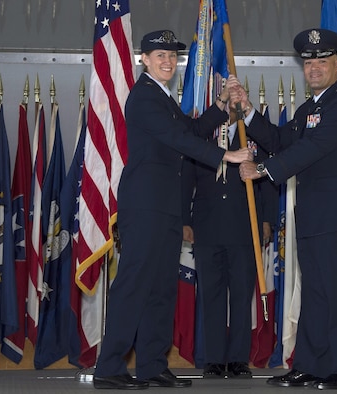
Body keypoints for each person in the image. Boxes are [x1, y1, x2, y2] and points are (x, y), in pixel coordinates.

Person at [92, 30, 252, 390]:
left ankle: (151, 364)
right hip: (145, 206)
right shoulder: (145, 97)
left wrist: (221, 104)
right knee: (134, 285)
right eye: (159, 55)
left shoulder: (163, 97)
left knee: (162, 288)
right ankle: (110, 366)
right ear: (144, 60)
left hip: (165, 209)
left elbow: (192, 129)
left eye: (171, 56)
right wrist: (225, 155)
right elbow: (179, 140)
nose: (167, 61)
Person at [231, 28, 337, 390]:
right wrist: (247, 111)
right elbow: (281, 140)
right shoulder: (311, 108)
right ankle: (312, 364)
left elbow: (309, 151)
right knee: (315, 293)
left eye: (321, 62)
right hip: (312, 216)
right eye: (308, 62)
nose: (313, 68)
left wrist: (261, 170)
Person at [181, 118, 277, 379]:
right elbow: (186, 179)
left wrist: (267, 219)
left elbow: (267, 178)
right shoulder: (201, 135)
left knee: (241, 295)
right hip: (207, 226)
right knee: (210, 295)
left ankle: (237, 359)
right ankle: (213, 359)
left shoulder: (253, 135)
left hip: (244, 227)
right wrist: (185, 221)